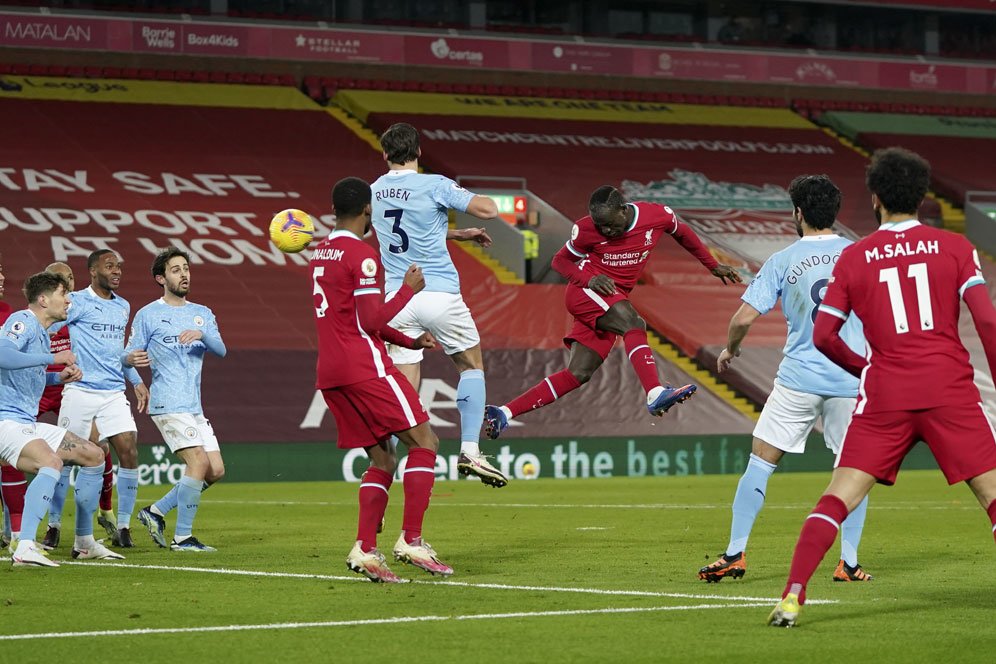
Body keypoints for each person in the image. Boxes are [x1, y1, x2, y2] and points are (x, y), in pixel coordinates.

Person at [768, 147, 996, 627]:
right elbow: (989, 324)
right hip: (949, 390)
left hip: (885, 394)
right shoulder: (955, 247)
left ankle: (792, 595)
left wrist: (864, 368)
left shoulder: (855, 258)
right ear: (923, 196)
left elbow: (825, 336)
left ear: (874, 198)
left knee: (838, 495)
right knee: (992, 496)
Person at [699, 175, 872, 584]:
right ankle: (848, 563)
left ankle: (735, 554)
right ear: (835, 212)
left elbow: (742, 318)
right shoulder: (860, 256)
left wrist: (731, 349)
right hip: (852, 380)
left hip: (798, 379)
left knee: (760, 463)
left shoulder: (783, 259)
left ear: (798, 213)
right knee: (853, 470)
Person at [484, 186, 741, 438]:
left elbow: (682, 232)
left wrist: (712, 265)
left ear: (623, 209)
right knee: (633, 323)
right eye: (601, 226)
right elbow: (559, 261)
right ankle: (654, 392)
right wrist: (589, 280)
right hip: (587, 291)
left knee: (579, 374)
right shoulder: (586, 229)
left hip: (608, 301)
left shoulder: (655, 215)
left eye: (609, 224)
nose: (606, 230)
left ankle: (504, 412)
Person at [317, 176, 451, 582]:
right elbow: (371, 320)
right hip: (365, 368)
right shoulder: (363, 254)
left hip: (331, 372)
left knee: (382, 458)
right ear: (367, 209)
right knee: (426, 441)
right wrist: (408, 291)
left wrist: (408, 339)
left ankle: (365, 549)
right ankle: (411, 539)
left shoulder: (321, 252)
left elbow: (354, 320)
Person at [370, 122, 507, 488]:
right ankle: (470, 451)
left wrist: (457, 234)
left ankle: (386, 471)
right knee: (471, 366)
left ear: (385, 154)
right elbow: (488, 209)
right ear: (418, 152)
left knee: (403, 390)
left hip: (397, 300)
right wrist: (473, 202)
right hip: (439, 293)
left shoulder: (377, 191)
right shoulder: (435, 184)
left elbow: (406, 228)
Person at [0, 271, 123, 566]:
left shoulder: (43, 333)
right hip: (5, 421)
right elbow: (2, 355)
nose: (68, 300)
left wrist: (58, 377)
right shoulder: (22, 321)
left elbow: (26, 375)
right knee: (51, 462)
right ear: (43, 300)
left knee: (94, 455)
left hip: (24, 421)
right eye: (62, 294)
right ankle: (25, 546)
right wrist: (51, 359)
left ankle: (84, 542)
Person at [124, 248, 227, 552]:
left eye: (186, 268)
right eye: (176, 270)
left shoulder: (203, 314)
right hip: (167, 402)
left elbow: (220, 350)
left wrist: (202, 335)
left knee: (216, 470)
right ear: (161, 278)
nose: (184, 274)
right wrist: (135, 378)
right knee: (198, 462)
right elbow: (126, 356)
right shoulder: (148, 314)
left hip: (193, 405)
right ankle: (183, 538)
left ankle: (154, 511)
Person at [48, 249, 149, 549]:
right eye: (110, 266)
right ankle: (53, 525)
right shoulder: (76, 301)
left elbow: (115, 350)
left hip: (112, 391)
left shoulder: (123, 306)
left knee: (128, 448)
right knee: (64, 457)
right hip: (80, 390)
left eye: (119, 266)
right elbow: (50, 327)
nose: (117, 270)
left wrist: (134, 375)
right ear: (93, 271)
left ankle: (124, 525)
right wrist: (58, 358)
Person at [39, 262, 115, 551]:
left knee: (99, 447)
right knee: (53, 456)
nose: (66, 280)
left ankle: (105, 509)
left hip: (73, 389)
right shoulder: (47, 312)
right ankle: (51, 525)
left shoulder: (81, 309)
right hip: (44, 385)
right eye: (59, 277)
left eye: (70, 276)